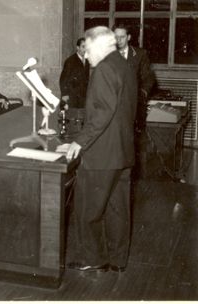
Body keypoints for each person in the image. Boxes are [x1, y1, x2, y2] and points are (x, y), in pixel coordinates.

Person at [58, 26, 137, 273]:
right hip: (122, 151)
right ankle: (117, 260)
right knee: (117, 210)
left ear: (101, 46)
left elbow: (102, 113)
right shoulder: (124, 65)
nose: (87, 54)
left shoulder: (103, 69)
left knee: (87, 209)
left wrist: (79, 141)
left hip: (102, 154)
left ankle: (93, 258)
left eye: (89, 49)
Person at [59, 37, 90, 120]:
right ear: (77, 48)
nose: (85, 49)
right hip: (72, 98)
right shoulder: (70, 61)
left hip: (83, 98)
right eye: (83, 46)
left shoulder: (87, 61)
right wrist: (64, 96)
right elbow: (63, 80)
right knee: (72, 121)